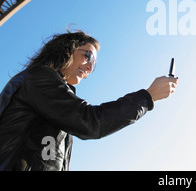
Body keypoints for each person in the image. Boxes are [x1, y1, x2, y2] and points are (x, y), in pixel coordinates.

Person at [0, 30, 178, 171]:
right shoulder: (39, 78)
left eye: (94, 64)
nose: (90, 67)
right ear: (67, 49)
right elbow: (91, 122)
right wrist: (148, 96)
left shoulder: (49, 94)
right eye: (88, 56)